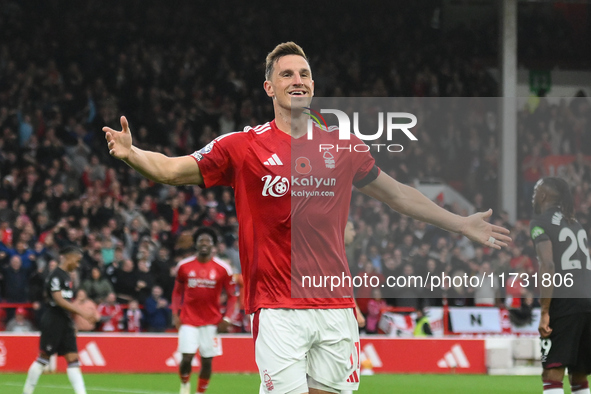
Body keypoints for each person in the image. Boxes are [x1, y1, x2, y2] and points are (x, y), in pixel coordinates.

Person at [103, 42, 511, 393]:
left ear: (313, 85)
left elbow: (399, 195)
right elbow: (173, 170)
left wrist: (459, 223)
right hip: (277, 307)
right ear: (269, 87)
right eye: (286, 74)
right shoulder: (243, 146)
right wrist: (133, 154)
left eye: (304, 73)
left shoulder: (344, 146)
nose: (297, 80)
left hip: (335, 306)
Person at [530, 177, 591, 394]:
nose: (533, 195)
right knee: (580, 373)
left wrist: (545, 310)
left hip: (564, 303)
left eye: (536, 190)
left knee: (552, 371)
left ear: (544, 195)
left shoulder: (540, 222)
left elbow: (548, 264)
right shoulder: (575, 222)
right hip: (587, 303)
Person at [171, 227, 238, 394]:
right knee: (186, 358)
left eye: (208, 241)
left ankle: (200, 392)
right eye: (201, 240)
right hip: (188, 319)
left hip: (212, 322)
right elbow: (177, 292)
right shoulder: (184, 266)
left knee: (207, 362)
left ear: (213, 245)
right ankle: (185, 384)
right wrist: (174, 314)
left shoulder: (223, 268)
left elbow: (232, 296)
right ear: (195, 244)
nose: (204, 243)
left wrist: (228, 319)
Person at [22, 246, 96, 394]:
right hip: (53, 320)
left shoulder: (68, 276)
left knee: (73, 358)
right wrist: (82, 312)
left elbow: (67, 301)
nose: (78, 264)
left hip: (65, 320)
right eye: (77, 260)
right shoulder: (55, 275)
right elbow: (59, 300)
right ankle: (27, 392)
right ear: (68, 257)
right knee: (44, 358)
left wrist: (72, 321)